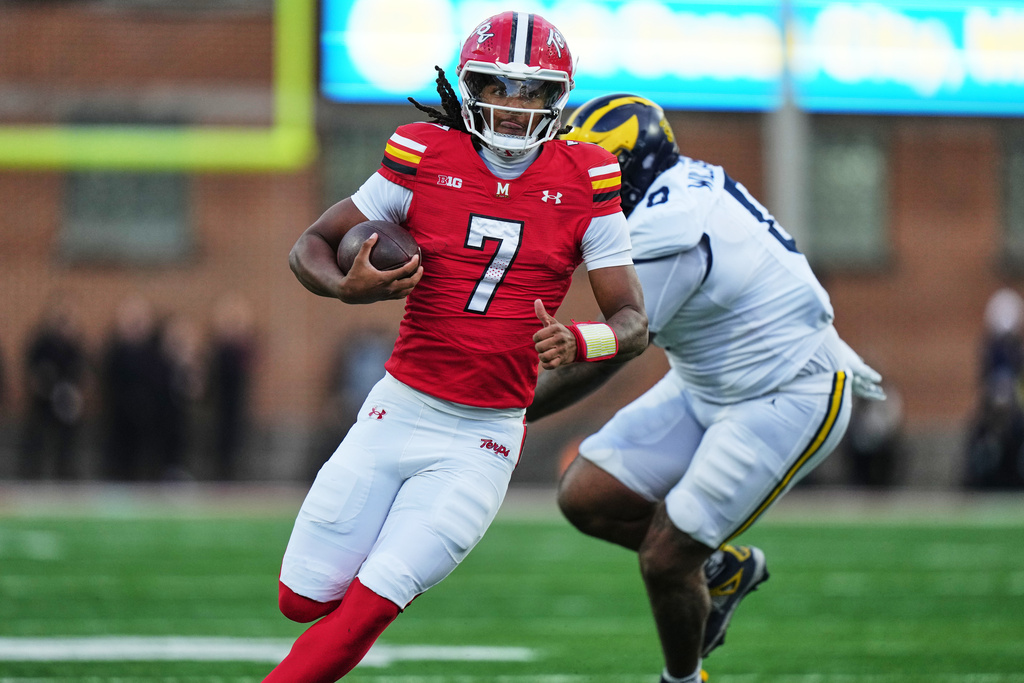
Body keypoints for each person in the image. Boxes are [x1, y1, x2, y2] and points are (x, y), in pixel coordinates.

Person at [265, 13, 648, 682]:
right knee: (301, 598)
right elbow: (311, 246)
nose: (510, 106)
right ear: (469, 88)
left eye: (529, 93)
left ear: (557, 100)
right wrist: (344, 289)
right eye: (497, 87)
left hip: (484, 437)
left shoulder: (588, 176)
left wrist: (579, 339)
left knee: (372, 602)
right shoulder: (422, 154)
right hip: (397, 408)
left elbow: (633, 322)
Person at [526, 94, 886, 683]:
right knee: (586, 495)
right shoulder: (674, 189)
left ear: (627, 170)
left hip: (790, 392)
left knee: (667, 559)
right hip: (707, 383)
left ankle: (682, 679)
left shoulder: (669, 228)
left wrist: (505, 406)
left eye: (589, 169)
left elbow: (615, 348)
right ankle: (722, 568)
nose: (577, 184)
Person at [18, 300, 88, 480]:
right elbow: (31, 371)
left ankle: (64, 476)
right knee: (36, 441)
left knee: (66, 445)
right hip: (43, 402)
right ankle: (31, 476)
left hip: (67, 405)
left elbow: (83, 373)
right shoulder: (41, 343)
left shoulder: (76, 346)